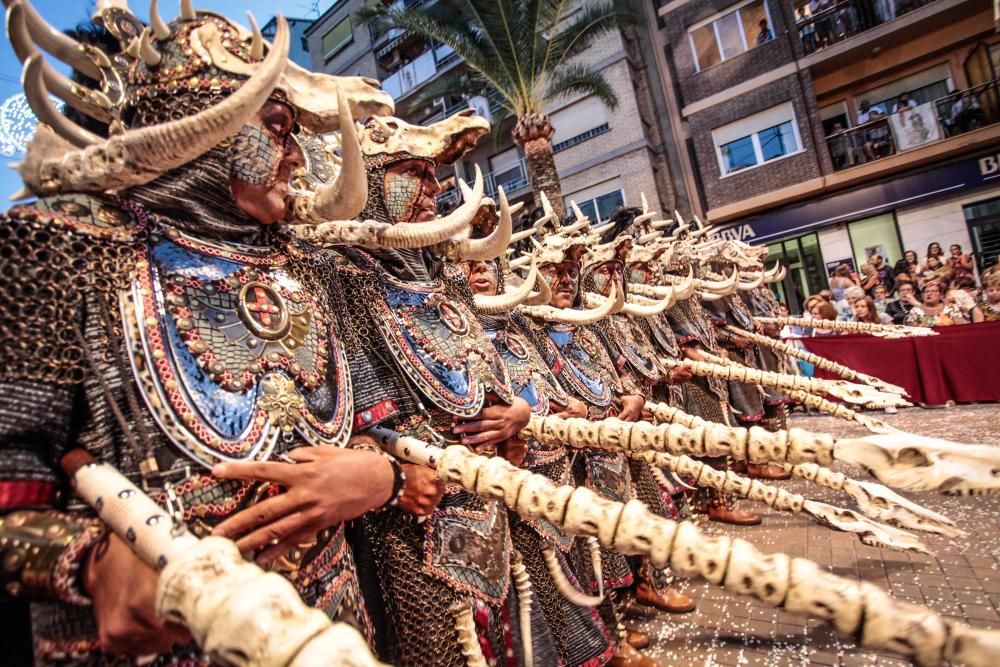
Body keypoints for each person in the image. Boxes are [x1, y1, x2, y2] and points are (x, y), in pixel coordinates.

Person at [0, 8, 402, 663]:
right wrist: (91, 564)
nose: (297, 156)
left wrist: (378, 473)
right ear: (208, 133)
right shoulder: (65, 249)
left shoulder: (302, 266)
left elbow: (370, 429)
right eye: (275, 129)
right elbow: (12, 488)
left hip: (330, 628)